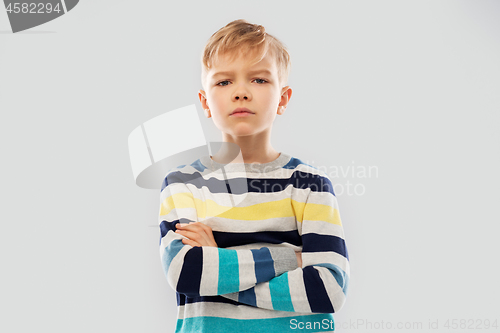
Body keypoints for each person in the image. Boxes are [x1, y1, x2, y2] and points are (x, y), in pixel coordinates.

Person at [158, 19, 349, 333]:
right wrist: (292, 260)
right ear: (205, 102)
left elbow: (328, 290)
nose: (241, 92)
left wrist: (218, 261)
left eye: (259, 80)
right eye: (224, 82)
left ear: (283, 98)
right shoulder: (183, 184)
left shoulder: (310, 185)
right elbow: (187, 273)